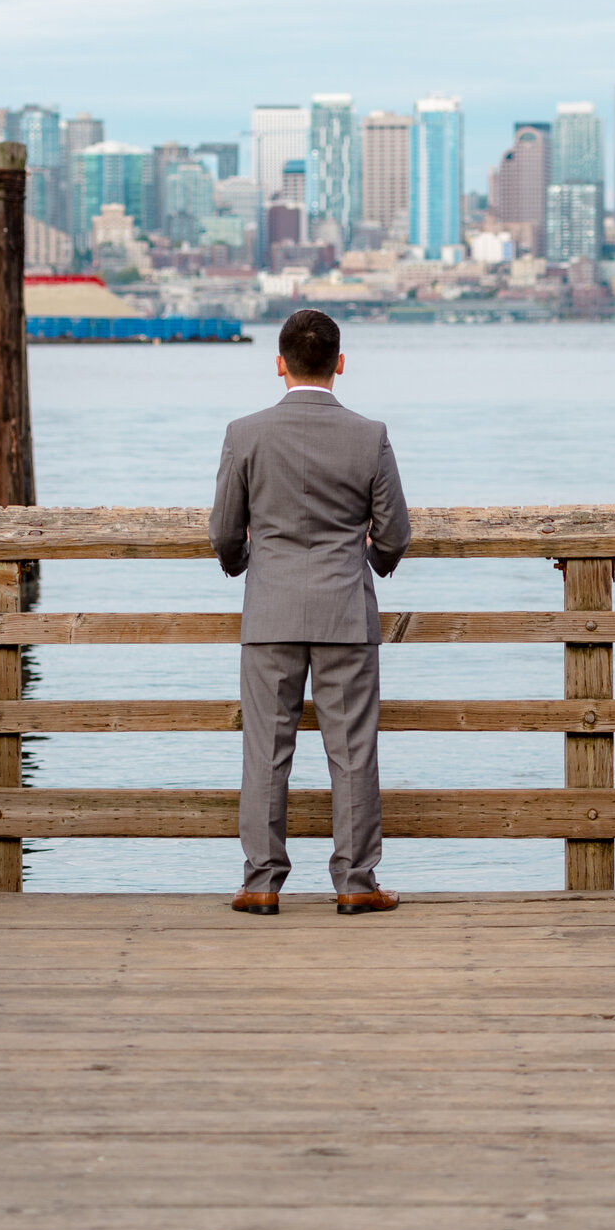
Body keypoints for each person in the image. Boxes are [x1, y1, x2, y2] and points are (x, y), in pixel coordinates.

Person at [208, 309, 411, 917]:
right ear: (339, 364)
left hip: (270, 611)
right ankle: (354, 883)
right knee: (352, 752)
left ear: (280, 365)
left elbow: (222, 530)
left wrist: (242, 562)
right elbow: (394, 533)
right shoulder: (368, 434)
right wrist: (371, 559)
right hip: (345, 612)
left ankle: (261, 883)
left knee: (266, 751)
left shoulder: (245, 434)